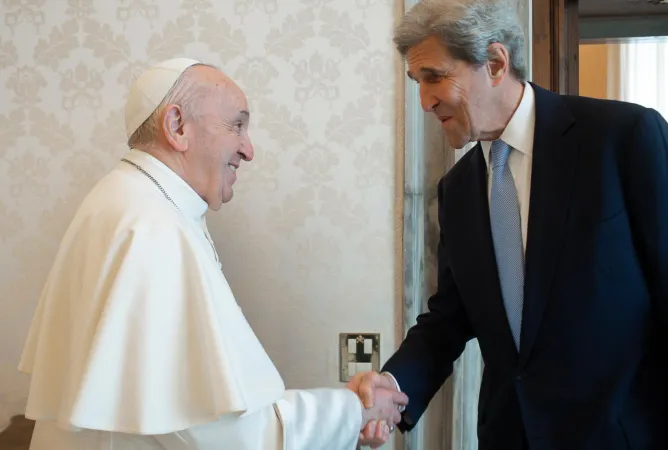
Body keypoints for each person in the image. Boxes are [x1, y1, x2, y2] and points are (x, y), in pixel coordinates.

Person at [17, 57, 408, 450]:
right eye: (236, 125)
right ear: (178, 127)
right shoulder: (153, 227)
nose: (248, 149)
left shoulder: (125, 200)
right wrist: (353, 411)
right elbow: (228, 433)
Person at [357, 0, 668, 448]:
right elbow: (448, 319)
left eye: (435, 77)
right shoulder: (457, 190)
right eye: (416, 82)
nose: (425, 101)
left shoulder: (622, 137)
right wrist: (391, 385)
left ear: (497, 63)